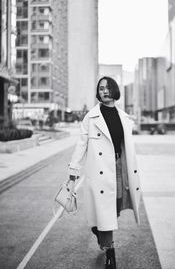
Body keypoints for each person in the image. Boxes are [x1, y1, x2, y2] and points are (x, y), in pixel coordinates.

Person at [67, 76, 141, 269]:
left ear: (114, 90)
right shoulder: (90, 117)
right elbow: (81, 145)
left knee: (113, 209)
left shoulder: (124, 117)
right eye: (101, 88)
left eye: (108, 88)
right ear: (98, 92)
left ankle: (99, 230)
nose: (105, 91)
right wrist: (73, 172)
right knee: (106, 213)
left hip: (117, 168)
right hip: (99, 171)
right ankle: (110, 252)